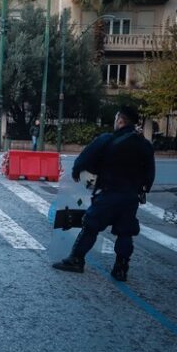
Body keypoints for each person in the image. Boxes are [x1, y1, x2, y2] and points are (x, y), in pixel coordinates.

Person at [52, 106, 155, 282]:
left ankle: (76, 259)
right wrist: (141, 189)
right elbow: (150, 174)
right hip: (130, 197)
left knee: (91, 225)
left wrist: (78, 172)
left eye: (116, 119)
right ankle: (121, 269)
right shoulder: (144, 144)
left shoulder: (107, 140)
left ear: (121, 121)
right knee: (125, 232)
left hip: (109, 194)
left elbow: (84, 160)